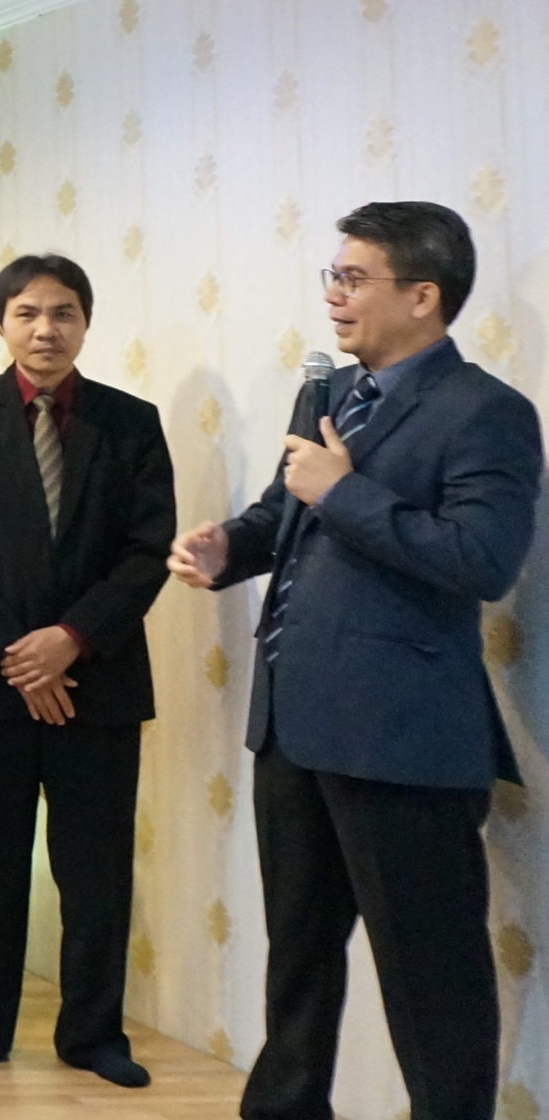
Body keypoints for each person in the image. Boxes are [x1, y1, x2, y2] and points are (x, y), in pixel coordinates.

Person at [170, 202, 538, 1120]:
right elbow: (285, 513)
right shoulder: (329, 393)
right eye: (330, 277)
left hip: (402, 740)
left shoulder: (488, 412)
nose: (333, 295)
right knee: (297, 958)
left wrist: (344, 492)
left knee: (431, 979)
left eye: (352, 278)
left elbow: (482, 560)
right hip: (293, 724)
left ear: (423, 296)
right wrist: (229, 549)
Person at [0, 255, 172, 1088]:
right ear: (1, 323)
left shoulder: (131, 422)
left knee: (95, 872)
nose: (45, 330)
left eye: (63, 313)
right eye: (27, 313)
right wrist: (18, 655)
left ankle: (94, 1034)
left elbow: (147, 551)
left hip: (98, 687)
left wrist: (69, 639)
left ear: (86, 323)